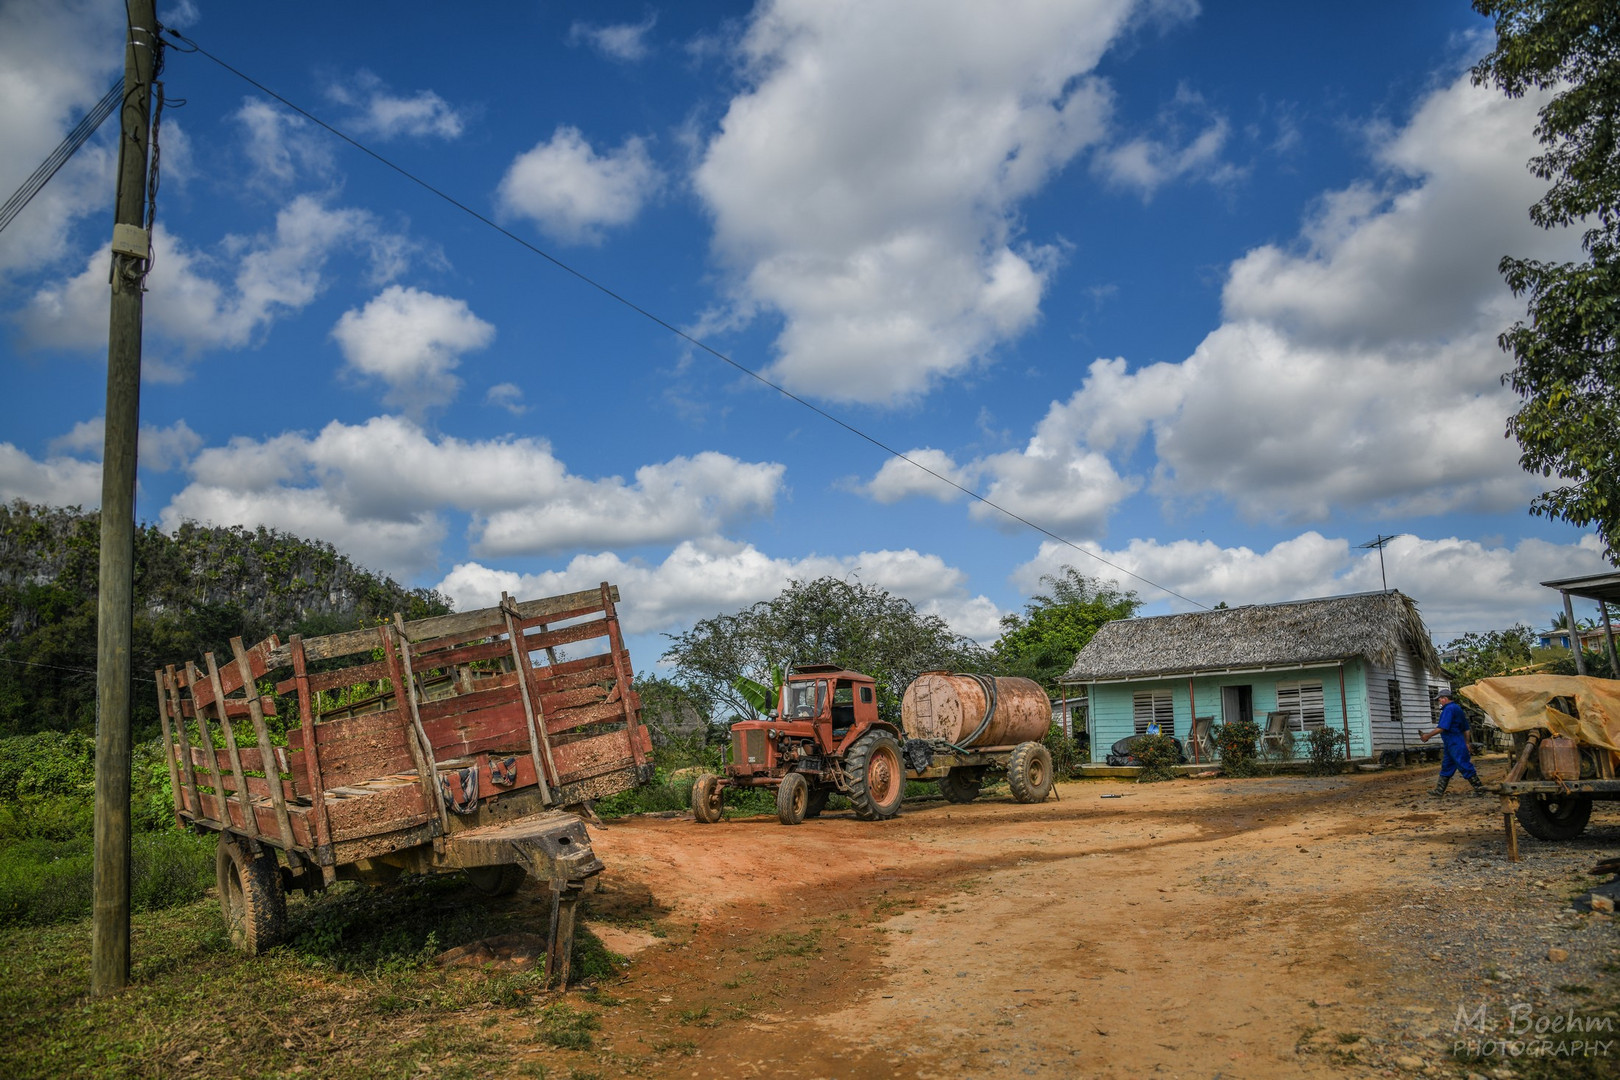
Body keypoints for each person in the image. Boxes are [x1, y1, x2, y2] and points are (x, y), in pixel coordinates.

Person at [1419, 690, 1486, 797]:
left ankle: (1480, 789)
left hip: (1454, 743)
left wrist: (1427, 736)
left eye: (1440, 699)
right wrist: (1467, 743)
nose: (1439, 702)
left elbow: (1442, 727)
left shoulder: (1448, 709)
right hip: (1456, 743)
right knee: (1447, 766)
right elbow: (1466, 729)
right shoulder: (1458, 708)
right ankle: (1439, 791)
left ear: (1444, 698)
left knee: (1464, 765)